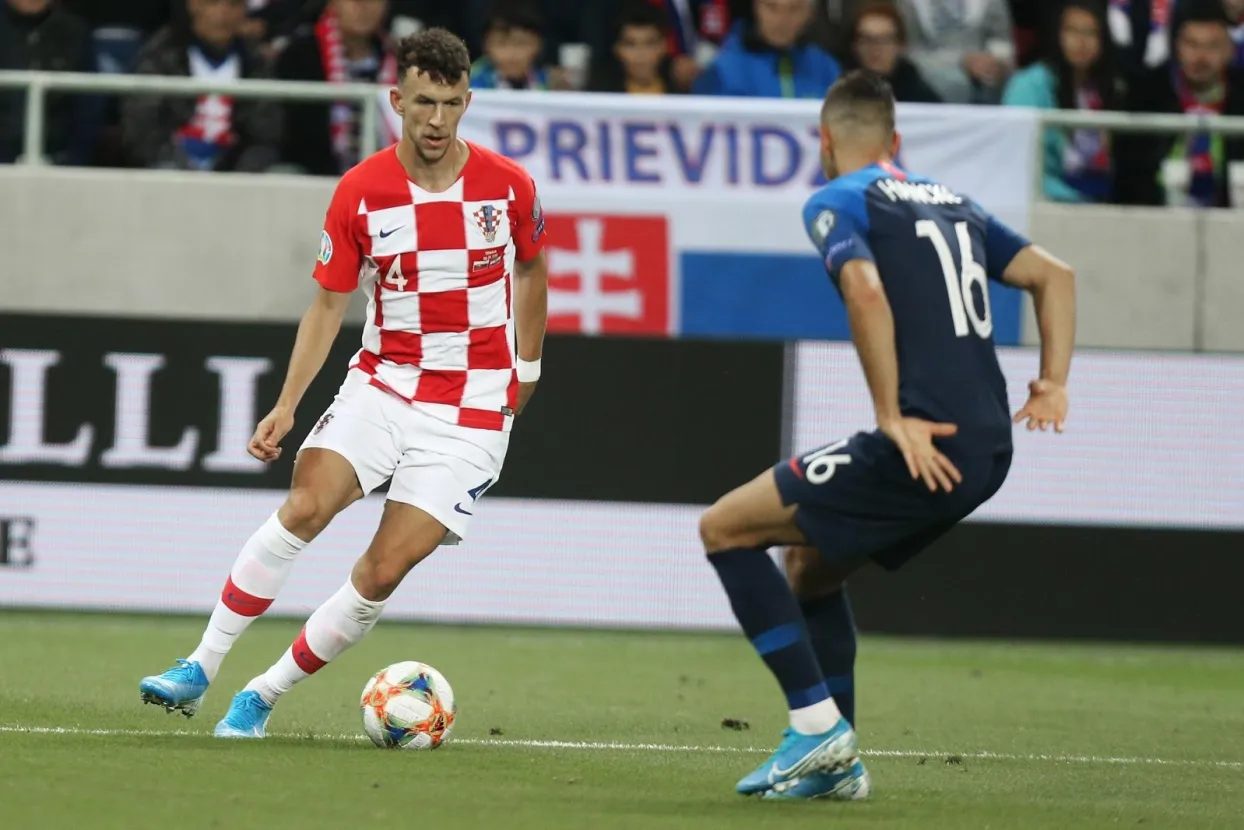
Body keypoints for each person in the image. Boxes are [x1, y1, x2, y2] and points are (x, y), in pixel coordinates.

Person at [137, 27, 550, 739]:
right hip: (384, 386)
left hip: (473, 409)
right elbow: (328, 305)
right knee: (306, 505)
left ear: (467, 101)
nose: (436, 120)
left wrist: (529, 368)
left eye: (451, 104)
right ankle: (200, 667)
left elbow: (533, 269)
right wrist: (288, 403)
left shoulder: (508, 186)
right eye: (422, 102)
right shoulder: (361, 192)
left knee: (384, 571)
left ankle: (261, 696)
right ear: (395, 99)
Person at [698, 70, 1076, 801]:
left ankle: (815, 728)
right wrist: (1053, 382)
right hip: (990, 443)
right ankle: (837, 768)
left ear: (825, 142)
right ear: (896, 142)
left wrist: (889, 416)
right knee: (809, 571)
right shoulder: (955, 202)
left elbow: (864, 289)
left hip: (927, 437)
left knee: (725, 529)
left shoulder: (836, 199)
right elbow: (1054, 276)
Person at [121, 0, 279, 172]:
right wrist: (184, 170)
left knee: (284, 174)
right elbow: (142, 129)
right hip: (170, 171)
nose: (223, 13)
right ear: (193, 5)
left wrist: (239, 176)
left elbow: (266, 135)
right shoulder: (159, 57)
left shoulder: (256, 64)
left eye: (233, 4)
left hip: (236, 174)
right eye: (212, 3)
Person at [1115, 0, 1244, 207]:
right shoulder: (1147, 96)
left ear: (1230, 49)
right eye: (1192, 44)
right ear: (1176, 46)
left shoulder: (1240, 97)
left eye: (1212, 46)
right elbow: (1130, 177)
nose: (1201, 57)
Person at [1003, 0, 1123, 203]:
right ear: (1056, 33)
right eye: (1072, 31)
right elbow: (1016, 165)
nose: (1081, 41)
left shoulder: (1108, 88)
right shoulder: (1028, 85)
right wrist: (1075, 202)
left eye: (1091, 33)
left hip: (1100, 201)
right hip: (1048, 205)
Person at [274, 0, 398, 176]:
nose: (363, 6)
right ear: (332, 4)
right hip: (317, 176)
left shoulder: (400, 60)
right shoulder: (300, 54)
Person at [693, 0, 842, 98]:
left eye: (794, 9)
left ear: (810, 13)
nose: (781, 20)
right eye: (771, 7)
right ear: (756, 7)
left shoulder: (827, 70)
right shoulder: (722, 71)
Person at [843, 1, 942, 103]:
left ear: (901, 46)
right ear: (854, 45)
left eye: (884, 40)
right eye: (866, 39)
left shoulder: (922, 98)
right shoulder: (838, 92)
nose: (875, 48)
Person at [587, 0, 682, 94]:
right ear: (617, 49)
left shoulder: (683, 94)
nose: (641, 54)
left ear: (664, 46)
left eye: (649, 44)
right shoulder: (601, 97)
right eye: (631, 44)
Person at [469, 0, 551, 89]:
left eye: (521, 44)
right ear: (486, 45)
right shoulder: (470, 82)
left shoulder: (549, 82)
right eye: (501, 44)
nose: (511, 54)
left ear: (537, 45)